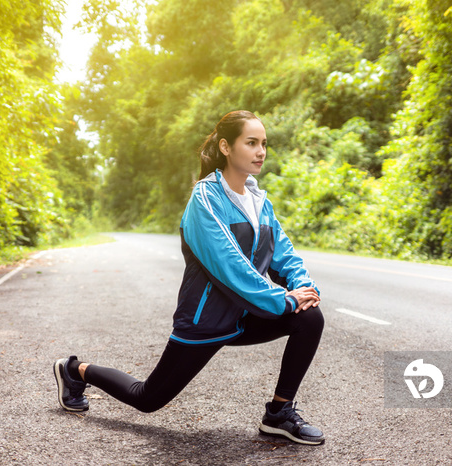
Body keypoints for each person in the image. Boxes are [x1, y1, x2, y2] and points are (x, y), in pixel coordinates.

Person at [54, 110, 326, 445]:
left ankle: (279, 414)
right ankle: (74, 369)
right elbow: (230, 266)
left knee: (309, 317)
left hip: (246, 315)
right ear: (226, 147)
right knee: (147, 398)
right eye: (251, 143)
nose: (260, 152)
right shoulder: (205, 199)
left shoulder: (258, 200)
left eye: (264, 144)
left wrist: (303, 287)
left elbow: (283, 252)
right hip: (206, 322)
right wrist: (283, 299)